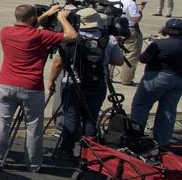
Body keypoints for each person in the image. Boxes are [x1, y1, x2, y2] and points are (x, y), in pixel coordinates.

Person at [0, 4, 76, 171]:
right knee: (33, 127)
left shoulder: (5, 32)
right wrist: (62, 18)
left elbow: (28, 25)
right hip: (32, 87)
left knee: (1, 124)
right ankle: (33, 164)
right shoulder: (41, 35)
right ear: (33, 19)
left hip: (6, 84)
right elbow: (72, 36)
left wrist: (46, 14)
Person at [48, 8, 125, 159]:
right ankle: (89, 152)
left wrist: (51, 81)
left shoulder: (72, 38)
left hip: (72, 83)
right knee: (91, 118)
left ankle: (66, 150)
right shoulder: (108, 38)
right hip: (98, 84)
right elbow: (119, 60)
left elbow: (58, 63)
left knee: (71, 117)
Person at [130, 19, 182, 147]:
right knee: (168, 110)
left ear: (167, 30)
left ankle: (134, 137)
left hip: (159, 77)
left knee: (141, 106)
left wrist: (152, 44)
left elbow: (143, 59)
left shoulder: (160, 44)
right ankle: (161, 142)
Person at [114, 0, 144, 86]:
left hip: (114, 28)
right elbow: (136, 19)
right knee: (131, 54)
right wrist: (140, 10)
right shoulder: (131, 3)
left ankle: (109, 76)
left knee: (113, 51)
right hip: (129, 29)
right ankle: (126, 79)